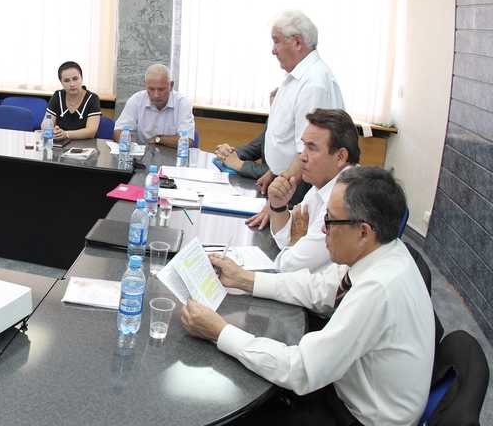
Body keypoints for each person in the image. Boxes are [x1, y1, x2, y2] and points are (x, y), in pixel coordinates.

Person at [181, 166, 434, 426]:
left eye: (331, 220)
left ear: (363, 233)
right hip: (348, 388)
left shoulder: (377, 290)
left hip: (357, 418)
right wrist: (244, 279)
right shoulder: (382, 251)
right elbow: (319, 288)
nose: (323, 229)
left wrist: (220, 332)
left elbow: (300, 370)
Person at [247, 10, 344, 230]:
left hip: (299, 186)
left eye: (276, 41)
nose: (273, 50)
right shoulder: (297, 77)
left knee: (284, 242)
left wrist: (275, 203)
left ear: (298, 42)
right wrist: (273, 170)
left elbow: (308, 152)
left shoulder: (313, 84)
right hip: (287, 180)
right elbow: (287, 136)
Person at [268, 108, 359, 274]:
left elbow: (289, 267)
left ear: (340, 157)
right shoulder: (323, 183)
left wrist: (297, 239)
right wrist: (278, 206)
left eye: (312, 148)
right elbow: (283, 240)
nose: (302, 157)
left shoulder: (346, 198)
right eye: (304, 146)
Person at [113, 63, 194, 147]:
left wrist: (158, 139)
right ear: (146, 84)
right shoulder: (136, 101)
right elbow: (118, 131)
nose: (156, 95)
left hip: (171, 154)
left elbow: (187, 141)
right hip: (141, 153)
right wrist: (130, 143)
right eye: (151, 89)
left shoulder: (183, 104)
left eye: (161, 89)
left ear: (171, 85)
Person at [214, 88, 277, 180]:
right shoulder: (273, 119)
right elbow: (255, 148)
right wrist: (229, 153)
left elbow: (279, 171)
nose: (273, 114)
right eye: (272, 109)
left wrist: (238, 164)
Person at [45, 61, 100, 140]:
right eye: (66, 80)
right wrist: (55, 131)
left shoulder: (92, 98)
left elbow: (91, 131)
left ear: (82, 78)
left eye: (75, 79)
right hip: (61, 144)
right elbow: (45, 124)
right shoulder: (58, 96)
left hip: (85, 145)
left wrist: (66, 134)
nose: (72, 84)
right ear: (61, 82)